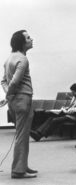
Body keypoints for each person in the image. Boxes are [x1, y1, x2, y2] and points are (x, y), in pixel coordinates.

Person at [1, 30, 37, 178]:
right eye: (28, 38)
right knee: (22, 135)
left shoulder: (9, 58)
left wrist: (8, 96)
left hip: (16, 100)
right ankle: (18, 170)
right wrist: (9, 95)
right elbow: (14, 81)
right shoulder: (22, 59)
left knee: (23, 134)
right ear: (22, 42)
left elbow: (4, 81)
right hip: (23, 99)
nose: (31, 39)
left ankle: (23, 165)